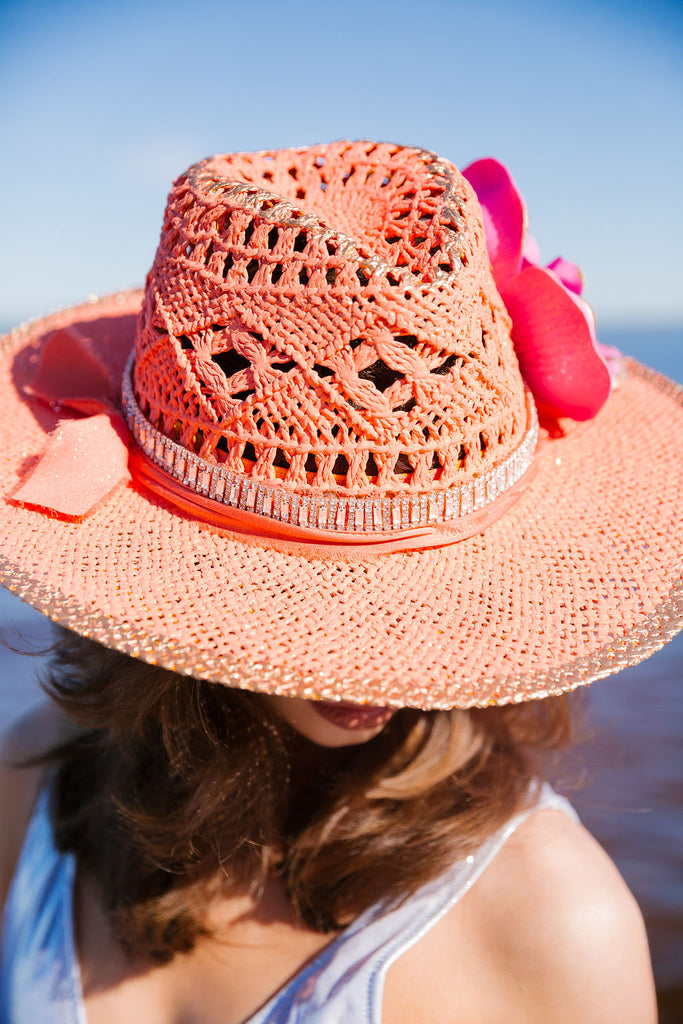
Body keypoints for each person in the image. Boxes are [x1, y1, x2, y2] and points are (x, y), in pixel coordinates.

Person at [1, 140, 679, 1023]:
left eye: (413, 588)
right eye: (340, 593)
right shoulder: (37, 775)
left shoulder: (553, 919)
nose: (384, 660)